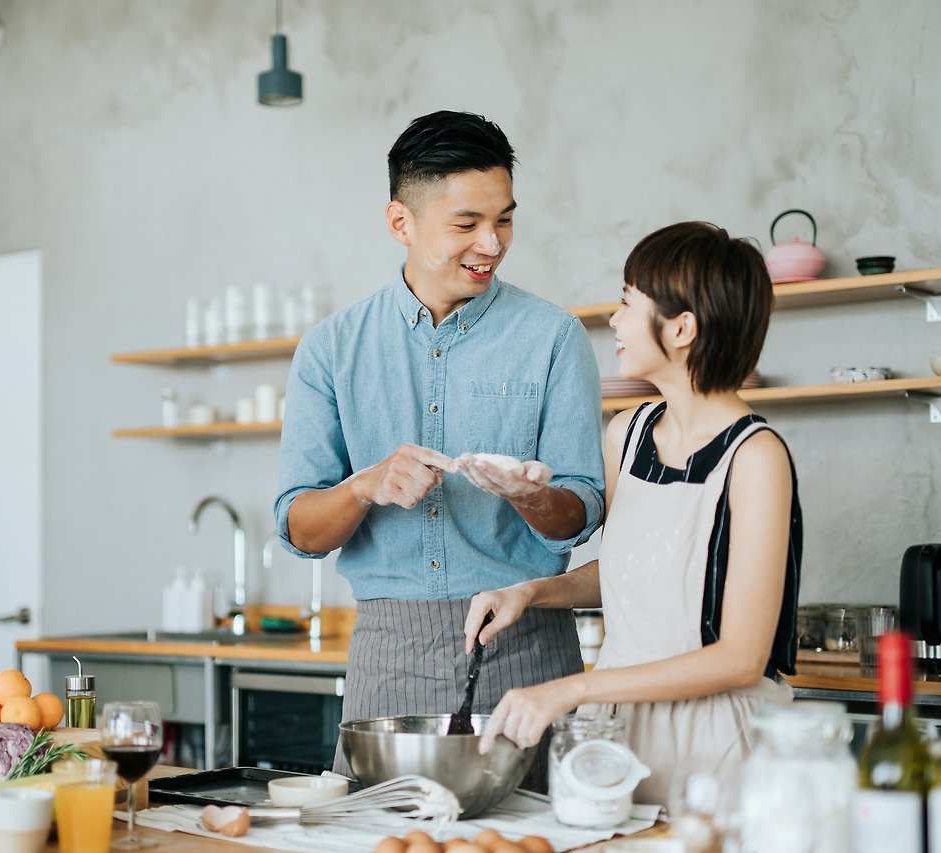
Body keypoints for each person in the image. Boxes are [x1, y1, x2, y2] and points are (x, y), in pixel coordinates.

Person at [274, 111, 606, 785]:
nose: (492, 242)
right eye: (466, 223)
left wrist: (532, 496)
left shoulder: (553, 337)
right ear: (401, 222)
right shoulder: (331, 349)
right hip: (387, 657)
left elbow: (584, 513)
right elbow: (298, 528)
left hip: (528, 648)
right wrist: (363, 485)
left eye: (505, 219)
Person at [467, 221, 803, 808]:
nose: (614, 320)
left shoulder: (757, 457)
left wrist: (569, 689)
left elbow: (741, 657)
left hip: (718, 743)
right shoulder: (629, 433)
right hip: (619, 733)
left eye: (627, 303)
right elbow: (633, 570)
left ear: (681, 328)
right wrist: (528, 591)